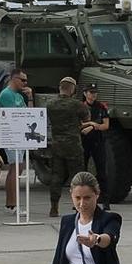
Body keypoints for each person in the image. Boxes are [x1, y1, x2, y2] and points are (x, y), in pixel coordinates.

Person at [42, 78, 88, 217]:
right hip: (73, 145)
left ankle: (54, 206)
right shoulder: (77, 104)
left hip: (57, 145)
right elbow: (86, 119)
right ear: (72, 89)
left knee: (56, 176)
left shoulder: (50, 104)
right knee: (77, 177)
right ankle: (79, 207)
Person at [0, 69, 30, 213]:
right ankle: (11, 204)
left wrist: (30, 97)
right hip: (11, 134)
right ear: (14, 79)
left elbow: (29, 113)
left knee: (18, 167)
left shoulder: (19, 96)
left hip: (20, 134)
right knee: (15, 167)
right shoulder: (7, 94)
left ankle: (12, 203)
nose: (25, 83)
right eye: (23, 80)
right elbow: (14, 115)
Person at [81, 83, 111, 188]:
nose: (94, 95)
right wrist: (92, 123)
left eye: (95, 92)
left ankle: (104, 197)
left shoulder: (101, 107)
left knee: (102, 170)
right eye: (91, 92)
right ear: (85, 93)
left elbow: (106, 125)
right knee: (82, 170)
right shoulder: (81, 106)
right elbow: (78, 124)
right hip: (84, 141)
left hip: (98, 141)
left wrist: (92, 127)